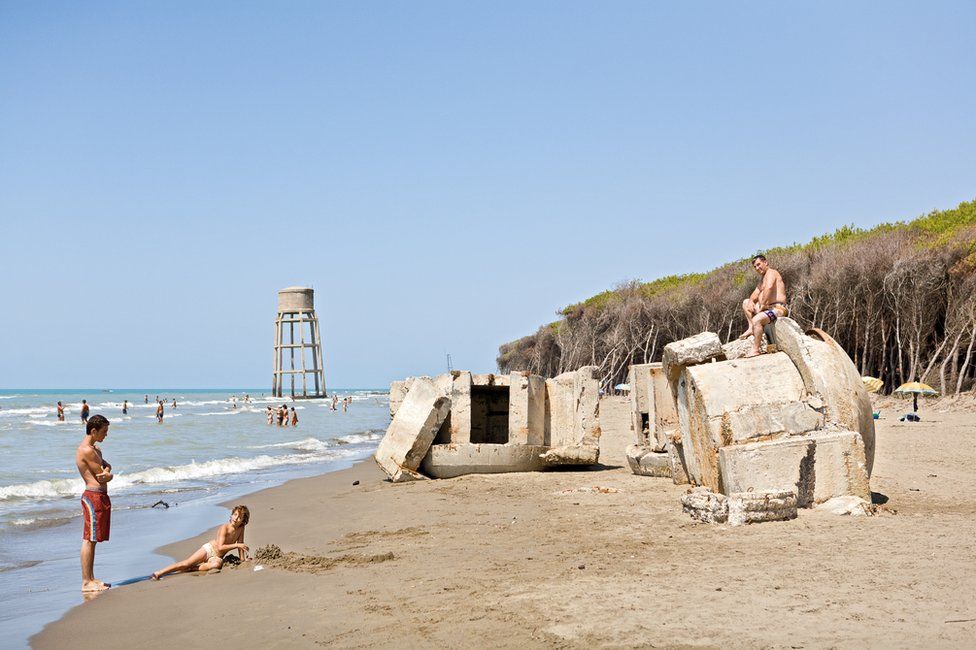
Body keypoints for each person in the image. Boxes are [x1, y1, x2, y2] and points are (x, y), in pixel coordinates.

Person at [151, 506, 250, 580]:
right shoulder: (225, 527)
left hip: (217, 557)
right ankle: (160, 572)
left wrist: (242, 560)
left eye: (239, 517)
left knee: (216, 565)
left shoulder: (241, 528)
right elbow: (220, 547)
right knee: (186, 563)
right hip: (209, 550)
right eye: (235, 515)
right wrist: (237, 545)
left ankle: (192, 568)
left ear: (243, 521)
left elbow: (241, 544)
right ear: (232, 514)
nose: (236, 518)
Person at [75, 414, 113, 592]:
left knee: (93, 539)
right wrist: (108, 474)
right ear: (93, 431)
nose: (106, 435)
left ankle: (91, 578)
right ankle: (86, 582)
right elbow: (104, 475)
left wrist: (107, 472)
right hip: (93, 496)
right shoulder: (87, 451)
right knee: (89, 539)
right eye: (104, 431)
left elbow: (107, 466)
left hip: (99, 496)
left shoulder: (95, 449)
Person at [739, 254, 789, 358]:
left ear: (765, 262)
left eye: (758, 264)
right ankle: (751, 328)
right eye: (755, 267)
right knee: (745, 303)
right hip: (767, 308)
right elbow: (756, 292)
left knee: (757, 319)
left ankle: (755, 349)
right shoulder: (762, 279)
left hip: (778, 309)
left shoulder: (772, 273)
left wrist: (762, 305)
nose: (757, 268)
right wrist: (752, 301)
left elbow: (769, 288)